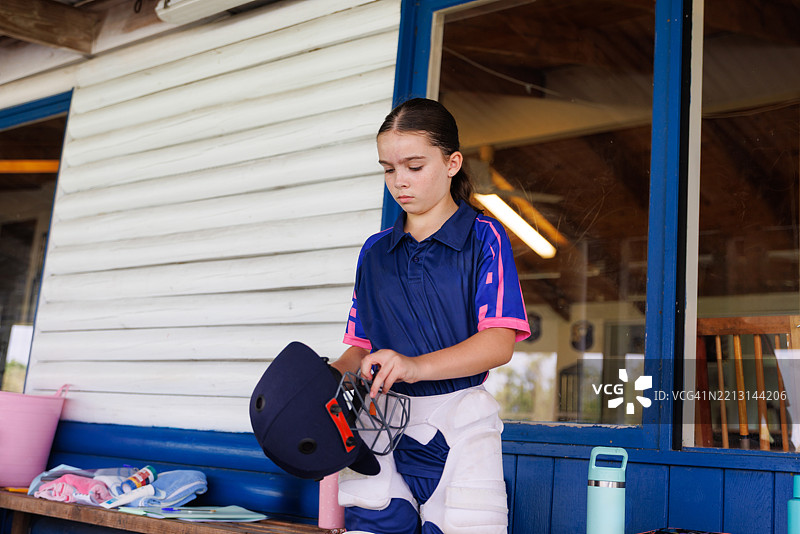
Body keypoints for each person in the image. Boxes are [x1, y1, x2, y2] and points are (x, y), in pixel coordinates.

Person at [330, 98, 530, 534]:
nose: (399, 181)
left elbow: (499, 343)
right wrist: (323, 380)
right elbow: (359, 349)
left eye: (414, 166)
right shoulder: (374, 252)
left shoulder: (485, 237)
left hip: (460, 421)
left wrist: (415, 366)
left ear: (452, 162)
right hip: (378, 424)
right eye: (388, 168)